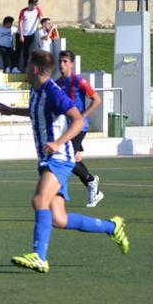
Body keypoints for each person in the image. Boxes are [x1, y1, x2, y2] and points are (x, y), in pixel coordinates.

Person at [0, 51, 128, 273]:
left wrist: (58, 142)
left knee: (39, 201)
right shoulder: (37, 91)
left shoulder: (54, 92)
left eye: (27, 64)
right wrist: (12, 111)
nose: (25, 68)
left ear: (35, 69)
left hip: (59, 158)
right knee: (58, 218)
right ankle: (112, 226)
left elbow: (77, 119)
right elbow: (37, 111)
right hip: (48, 159)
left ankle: (39, 256)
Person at [55, 49, 104, 207]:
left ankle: (90, 182)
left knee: (67, 158)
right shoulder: (58, 82)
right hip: (66, 128)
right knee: (75, 158)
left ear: (72, 64)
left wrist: (83, 116)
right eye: (60, 61)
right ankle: (92, 185)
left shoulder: (79, 81)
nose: (61, 64)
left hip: (79, 128)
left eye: (65, 62)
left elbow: (97, 99)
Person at [17, 0, 43, 72]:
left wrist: (44, 25)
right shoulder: (23, 11)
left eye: (37, 5)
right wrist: (21, 35)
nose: (36, 6)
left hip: (30, 34)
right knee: (18, 51)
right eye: (35, 5)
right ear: (30, 4)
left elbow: (41, 18)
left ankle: (25, 68)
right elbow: (20, 23)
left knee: (26, 51)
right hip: (21, 34)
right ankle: (14, 67)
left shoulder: (37, 10)